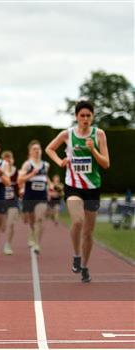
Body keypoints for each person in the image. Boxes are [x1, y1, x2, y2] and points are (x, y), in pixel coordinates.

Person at [46, 100, 110, 283]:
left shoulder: (99, 134)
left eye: (89, 116)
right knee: (78, 220)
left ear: (93, 117)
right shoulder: (67, 134)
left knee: (89, 232)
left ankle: (85, 266)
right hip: (73, 186)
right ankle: (76, 255)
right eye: (82, 116)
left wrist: (93, 150)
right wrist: (60, 162)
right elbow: (49, 148)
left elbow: (106, 163)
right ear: (76, 117)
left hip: (93, 188)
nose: (85, 119)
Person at [18, 140, 50, 255]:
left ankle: (37, 244)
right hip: (29, 196)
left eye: (38, 149)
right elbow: (20, 180)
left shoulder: (46, 165)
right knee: (31, 221)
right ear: (30, 152)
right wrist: (32, 174)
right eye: (34, 149)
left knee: (40, 219)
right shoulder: (27, 164)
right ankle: (31, 232)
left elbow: (46, 178)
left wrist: (50, 188)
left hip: (41, 196)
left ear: (41, 151)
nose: (37, 151)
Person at [0, 150, 19, 255]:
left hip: (13, 201)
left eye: (9, 158)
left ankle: (7, 245)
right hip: (1, 201)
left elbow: (21, 184)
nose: (8, 161)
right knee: (2, 227)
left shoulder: (17, 172)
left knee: (11, 224)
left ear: (13, 160)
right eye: (5, 159)